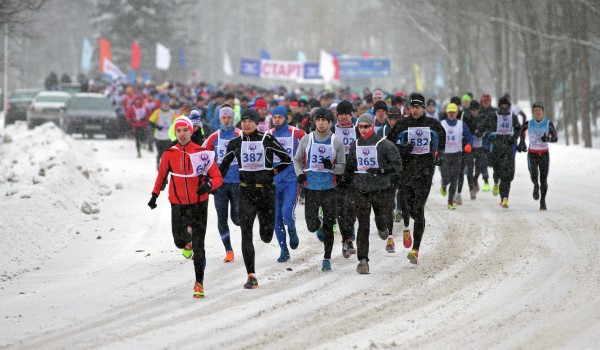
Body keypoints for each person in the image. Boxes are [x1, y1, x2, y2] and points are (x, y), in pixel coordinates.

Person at [147, 116, 223, 298]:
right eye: (179, 131)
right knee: (179, 241)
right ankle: (186, 242)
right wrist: (154, 195)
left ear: (191, 131)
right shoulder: (169, 153)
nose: (182, 134)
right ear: (175, 132)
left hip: (199, 203)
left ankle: (199, 283)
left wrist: (209, 185)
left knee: (199, 246)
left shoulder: (201, 153)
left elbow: (218, 177)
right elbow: (161, 177)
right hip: (178, 204)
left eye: (185, 130)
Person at [219, 108, 291, 289]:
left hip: (266, 193)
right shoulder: (235, 143)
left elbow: (286, 158)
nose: (247, 124)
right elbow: (223, 167)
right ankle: (251, 275)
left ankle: (266, 230)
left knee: (266, 236)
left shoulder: (266, 139)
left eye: (250, 121)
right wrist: (210, 181)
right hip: (245, 192)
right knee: (246, 233)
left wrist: (274, 171)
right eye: (244, 121)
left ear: (256, 123)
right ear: (240, 123)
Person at [386, 93, 445, 264]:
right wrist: (402, 148)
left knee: (418, 209)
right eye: (412, 107)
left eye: (418, 107)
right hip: (407, 172)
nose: (415, 110)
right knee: (410, 209)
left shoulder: (432, 124)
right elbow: (389, 143)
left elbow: (442, 135)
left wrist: (440, 152)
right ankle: (412, 236)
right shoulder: (403, 124)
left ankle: (415, 249)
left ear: (423, 108)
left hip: (425, 172)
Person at [345, 114, 401, 273]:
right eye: (360, 127)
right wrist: (344, 181)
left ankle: (383, 228)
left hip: (381, 190)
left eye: (366, 126)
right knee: (363, 226)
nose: (363, 130)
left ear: (373, 126)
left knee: (381, 220)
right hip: (361, 190)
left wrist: (381, 170)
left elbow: (397, 165)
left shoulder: (384, 145)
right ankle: (363, 261)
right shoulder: (354, 145)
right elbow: (350, 167)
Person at [294, 108, 346, 271]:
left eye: (325, 120)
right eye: (318, 120)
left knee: (329, 227)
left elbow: (342, 167)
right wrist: (300, 174)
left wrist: (332, 167)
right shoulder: (306, 139)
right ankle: (320, 222)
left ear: (330, 122)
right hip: (311, 188)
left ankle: (326, 258)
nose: (321, 123)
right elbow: (296, 160)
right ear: (314, 121)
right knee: (311, 226)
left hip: (329, 188)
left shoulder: (336, 141)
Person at [202, 105, 242, 263]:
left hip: (238, 183)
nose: (226, 120)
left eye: (229, 117)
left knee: (237, 218)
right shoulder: (214, 137)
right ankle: (229, 250)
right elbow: (203, 155)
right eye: (223, 117)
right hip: (220, 184)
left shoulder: (240, 135)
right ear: (219, 118)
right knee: (222, 218)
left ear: (233, 118)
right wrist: (206, 177)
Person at [268, 106, 306, 262]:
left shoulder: (297, 133)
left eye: (280, 117)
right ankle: (284, 250)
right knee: (276, 218)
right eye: (274, 117)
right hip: (274, 183)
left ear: (286, 118)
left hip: (291, 181)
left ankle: (291, 229)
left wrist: (304, 172)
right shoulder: (268, 135)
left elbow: (307, 152)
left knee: (286, 213)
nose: (277, 119)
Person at [517, 102, 558, 210]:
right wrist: (522, 142)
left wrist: (548, 139)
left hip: (544, 154)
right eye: (535, 110)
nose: (537, 112)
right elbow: (521, 132)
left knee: (543, 179)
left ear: (542, 111)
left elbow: (555, 138)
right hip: (532, 154)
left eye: (539, 110)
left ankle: (543, 201)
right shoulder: (528, 123)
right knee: (534, 174)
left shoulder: (548, 123)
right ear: (533, 112)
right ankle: (535, 185)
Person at [377, 107, 407, 251]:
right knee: (388, 205)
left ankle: (406, 228)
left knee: (405, 201)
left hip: (402, 172)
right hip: (387, 173)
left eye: (396, 119)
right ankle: (390, 238)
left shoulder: (406, 130)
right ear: (387, 119)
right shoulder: (381, 132)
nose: (393, 122)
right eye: (391, 119)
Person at [483, 95, 521, 208]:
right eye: (502, 106)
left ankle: (505, 198)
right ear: (499, 107)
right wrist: (487, 134)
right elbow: (484, 127)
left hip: (509, 149)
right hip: (496, 149)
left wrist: (514, 138)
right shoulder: (493, 116)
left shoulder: (513, 117)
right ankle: (495, 182)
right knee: (497, 173)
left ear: (509, 107)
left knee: (507, 175)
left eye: (506, 106)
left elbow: (518, 129)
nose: (504, 108)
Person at [333, 101, 358, 258]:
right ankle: (346, 240)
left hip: (354, 173)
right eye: (341, 114)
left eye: (346, 114)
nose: (343, 117)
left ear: (351, 115)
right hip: (337, 173)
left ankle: (349, 236)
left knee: (352, 208)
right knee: (341, 209)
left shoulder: (357, 130)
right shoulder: (332, 131)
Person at [439, 103, 473, 209]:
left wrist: (469, 145)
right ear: (447, 113)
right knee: (446, 178)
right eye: (450, 112)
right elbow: (435, 137)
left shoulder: (461, 124)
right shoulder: (442, 124)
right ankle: (444, 185)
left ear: (457, 113)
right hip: (445, 155)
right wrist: (436, 149)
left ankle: (450, 201)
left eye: (453, 112)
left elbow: (469, 137)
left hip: (457, 154)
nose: (451, 114)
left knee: (454, 178)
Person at [463, 100, 488, 199]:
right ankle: (471, 188)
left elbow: (487, 128)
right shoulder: (466, 118)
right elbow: (464, 131)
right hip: (469, 147)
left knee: (479, 167)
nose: (474, 112)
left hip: (479, 146)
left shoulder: (482, 118)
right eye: (472, 110)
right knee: (470, 167)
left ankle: (475, 179)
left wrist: (481, 133)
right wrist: (472, 133)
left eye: (476, 110)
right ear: (470, 110)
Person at [149, 96, 177, 169]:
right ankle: (158, 163)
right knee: (160, 152)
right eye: (164, 104)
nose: (166, 105)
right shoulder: (157, 112)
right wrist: (157, 126)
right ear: (162, 104)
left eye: (167, 103)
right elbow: (151, 121)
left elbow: (175, 123)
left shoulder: (172, 112)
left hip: (168, 136)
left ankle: (166, 166)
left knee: (167, 152)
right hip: (158, 136)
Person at [478, 93, 496, 192]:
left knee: (494, 161)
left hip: (493, 139)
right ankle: (486, 181)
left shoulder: (495, 111)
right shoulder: (478, 111)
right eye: (484, 101)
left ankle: (496, 180)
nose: (486, 103)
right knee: (483, 161)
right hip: (481, 140)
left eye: (487, 101)